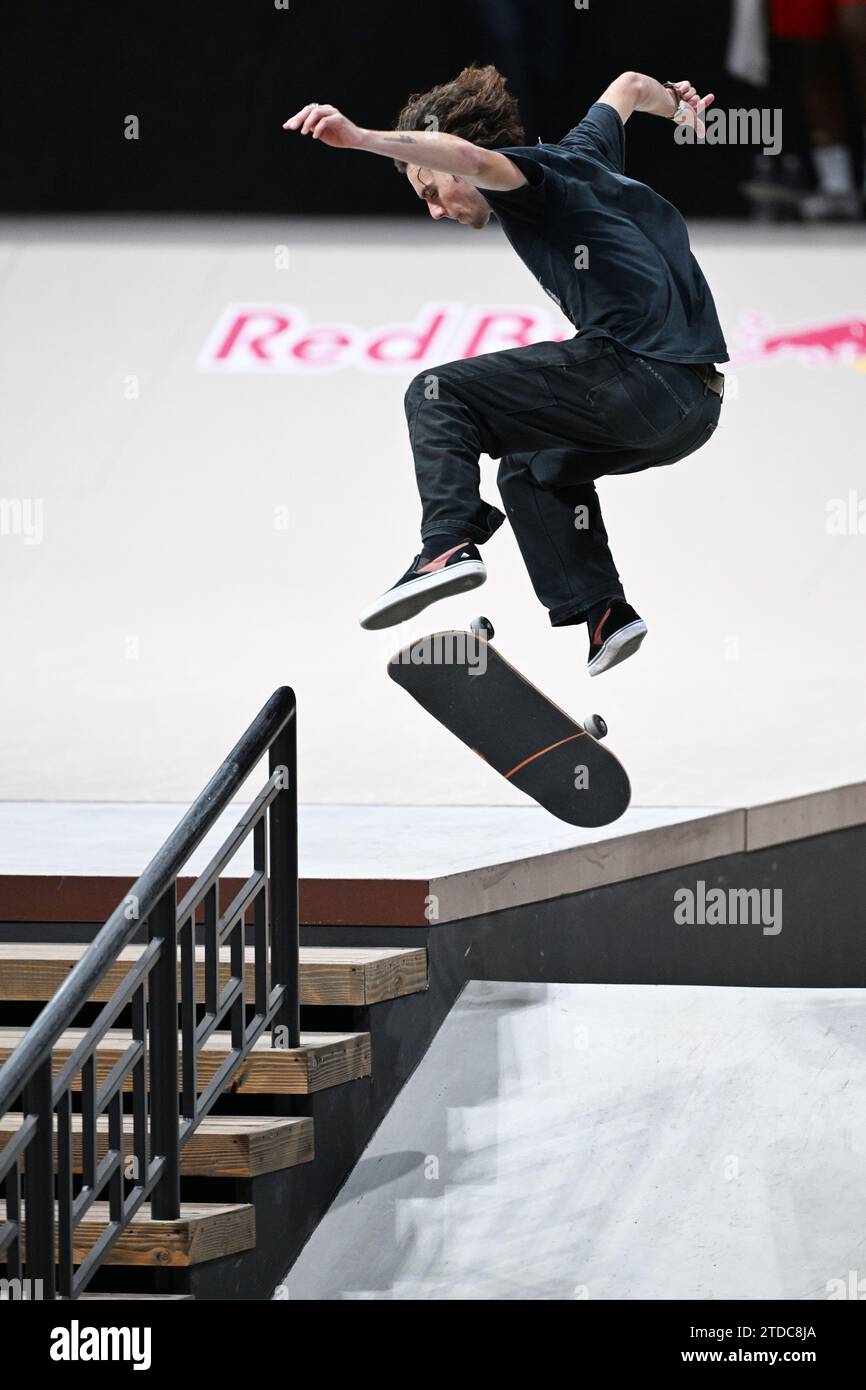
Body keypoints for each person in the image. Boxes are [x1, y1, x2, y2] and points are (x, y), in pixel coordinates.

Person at [284, 68, 727, 677]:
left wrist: (360, 137)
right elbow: (625, 87)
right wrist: (677, 104)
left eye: (431, 190)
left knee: (437, 393)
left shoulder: (525, 178)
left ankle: (446, 545)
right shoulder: (581, 153)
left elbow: (468, 155)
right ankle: (604, 613)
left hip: (638, 376)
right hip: (695, 406)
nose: (436, 211)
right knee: (532, 466)